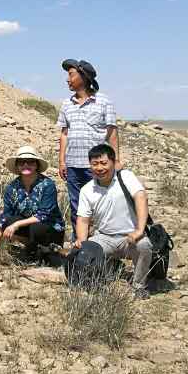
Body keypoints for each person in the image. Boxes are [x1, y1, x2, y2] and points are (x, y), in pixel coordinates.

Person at [75, 143, 153, 299]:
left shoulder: (126, 177)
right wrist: (82, 241)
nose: (99, 168)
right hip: (104, 236)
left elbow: (141, 197)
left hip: (129, 236)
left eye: (104, 163)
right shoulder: (87, 190)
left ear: (113, 162)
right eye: (95, 164)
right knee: (83, 252)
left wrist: (139, 230)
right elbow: (83, 220)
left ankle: (139, 286)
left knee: (144, 246)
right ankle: (103, 277)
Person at [57, 58, 118, 242]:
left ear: (83, 77)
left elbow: (112, 132)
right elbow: (64, 134)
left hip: (97, 166)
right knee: (76, 206)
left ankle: (102, 243)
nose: (67, 79)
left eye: (71, 75)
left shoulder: (103, 101)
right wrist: (62, 161)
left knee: (101, 204)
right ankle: (79, 243)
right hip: (73, 165)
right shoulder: (67, 104)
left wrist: (116, 161)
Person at [0, 145, 63, 257]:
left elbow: (43, 215)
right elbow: (6, 215)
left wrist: (16, 224)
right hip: (28, 228)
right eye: (21, 162)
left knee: (36, 227)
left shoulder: (48, 185)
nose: (26, 165)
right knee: (9, 221)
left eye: (30, 162)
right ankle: (31, 247)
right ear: (17, 166)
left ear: (36, 165)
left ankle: (46, 250)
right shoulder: (12, 187)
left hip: (49, 229)